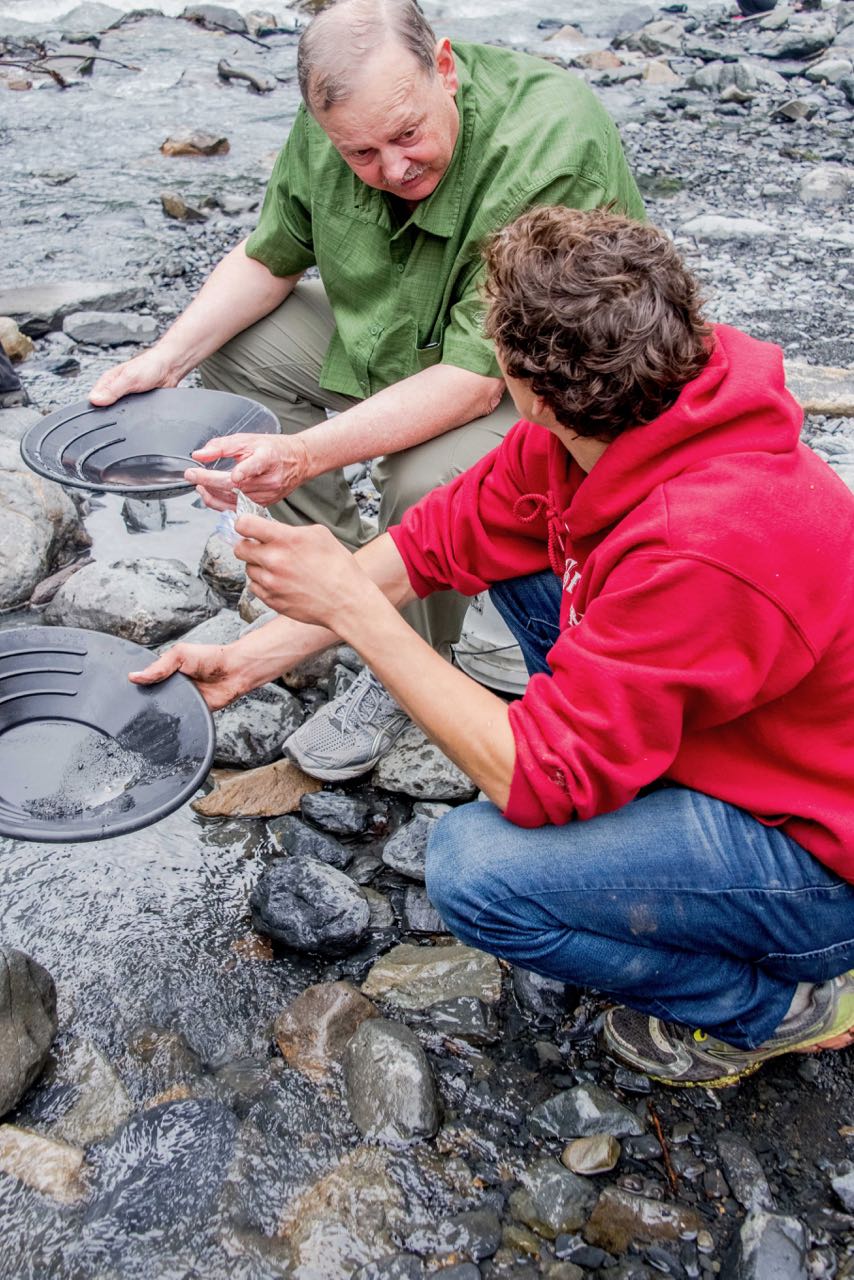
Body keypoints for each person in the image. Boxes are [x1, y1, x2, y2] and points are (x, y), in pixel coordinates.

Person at [131, 206, 854, 1086]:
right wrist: (254, 658)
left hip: (815, 852)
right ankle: (630, 796)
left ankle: (780, 1008)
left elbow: (531, 782)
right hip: (737, 728)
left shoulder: (705, 543)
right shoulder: (622, 412)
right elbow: (438, 539)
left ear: (532, 389)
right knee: (516, 556)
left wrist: (356, 611)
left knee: (476, 871)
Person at [90, 0, 644, 782]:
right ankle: (347, 594)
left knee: (426, 479)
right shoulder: (336, 123)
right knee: (239, 352)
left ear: (443, 67)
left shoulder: (549, 140)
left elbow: (475, 381)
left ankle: (406, 658)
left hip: (535, 391)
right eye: (360, 153)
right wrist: (165, 358)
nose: (391, 169)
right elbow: (269, 259)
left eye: (408, 135)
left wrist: (301, 453)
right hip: (392, 338)